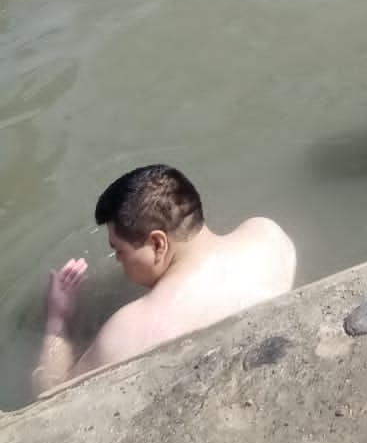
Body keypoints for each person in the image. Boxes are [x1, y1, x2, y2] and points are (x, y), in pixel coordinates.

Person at [34, 165, 296, 398]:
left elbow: (50, 398)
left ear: (158, 243)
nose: (118, 261)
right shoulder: (267, 235)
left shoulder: (128, 331)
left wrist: (58, 318)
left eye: (120, 251)